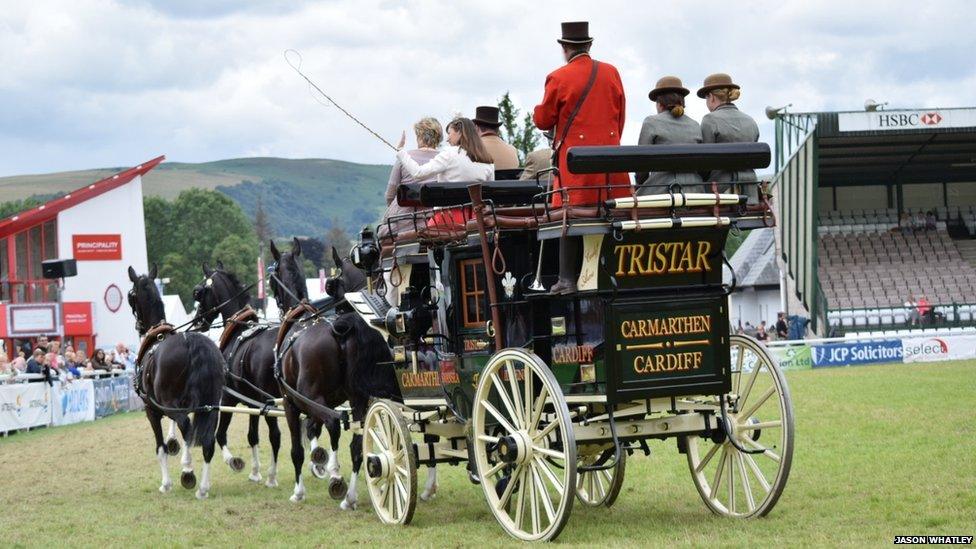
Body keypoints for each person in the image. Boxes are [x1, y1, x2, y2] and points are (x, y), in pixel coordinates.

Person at [533, 21, 630, 294]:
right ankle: (610, 270)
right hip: (611, 162)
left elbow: (543, 119)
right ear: (589, 45)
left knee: (569, 214)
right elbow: (620, 116)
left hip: (575, 165)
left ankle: (566, 279)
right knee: (608, 213)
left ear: (565, 48)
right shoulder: (611, 72)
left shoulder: (558, 77)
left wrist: (535, 112)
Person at [394, 117, 494, 228]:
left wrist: (401, 152)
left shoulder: (449, 154)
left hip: (447, 220)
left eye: (450, 133)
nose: (447, 139)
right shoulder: (487, 160)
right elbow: (488, 196)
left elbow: (418, 173)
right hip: (477, 220)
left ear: (460, 132)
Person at [635, 76, 703, 194]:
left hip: (663, 188)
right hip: (695, 189)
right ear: (682, 102)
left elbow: (642, 164)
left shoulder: (651, 122)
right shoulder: (695, 125)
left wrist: (640, 186)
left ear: (659, 104)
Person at [379, 117, 442, 238]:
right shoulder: (444, 160)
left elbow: (390, 196)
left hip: (402, 225)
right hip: (433, 223)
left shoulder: (404, 158)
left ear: (419, 136)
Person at [698, 73, 759, 186]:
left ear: (711, 97)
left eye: (706, 98)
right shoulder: (750, 121)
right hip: (750, 188)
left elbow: (705, 163)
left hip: (721, 191)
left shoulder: (710, 120)